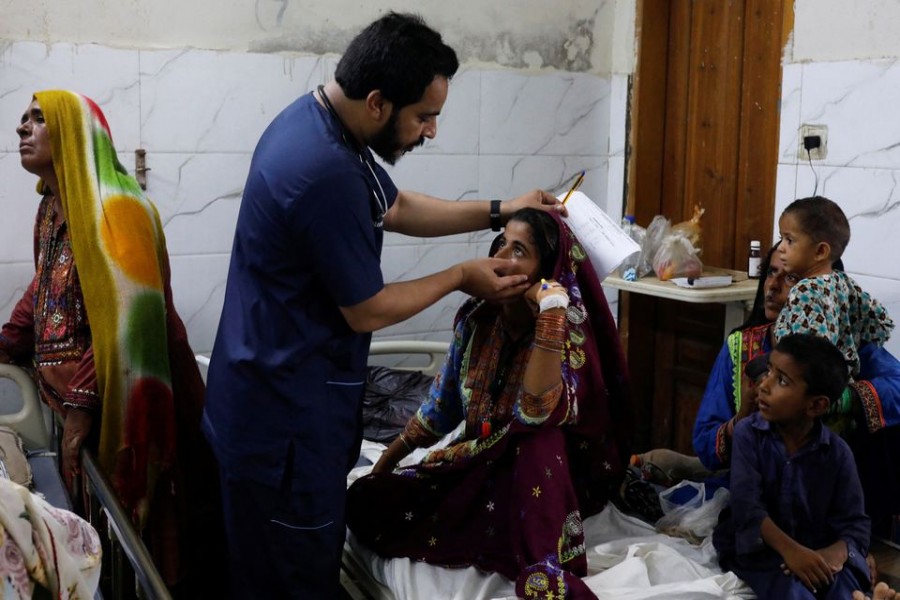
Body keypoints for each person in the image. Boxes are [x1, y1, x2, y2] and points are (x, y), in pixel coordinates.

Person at [202, 13, 566, 598]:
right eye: (424, 117)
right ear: (377, 102)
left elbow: (395, 207)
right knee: (288, 581)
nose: (430, 132)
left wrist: (500, 209)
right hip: (284, 428)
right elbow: (366, 310)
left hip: (274, 402)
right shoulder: (323, 171)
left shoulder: (320, 123)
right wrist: (460, 277)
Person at [346, 209, 632, 600]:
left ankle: (542, 566)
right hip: (475, 467)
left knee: (535, 440)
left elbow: (534, 409)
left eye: (519, 250)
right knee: (364, 500)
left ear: (545, 271)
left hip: (535, 482)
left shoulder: (567, 332)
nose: (501, 258)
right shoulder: (477, 320)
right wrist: (388, 461)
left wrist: (550, 314)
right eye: (500, 244)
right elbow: (441, 406)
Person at [0, 90, 222, 592]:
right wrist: (9, 341)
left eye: (38, 119)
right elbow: (46, 288)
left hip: (122, 405)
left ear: (76, 136)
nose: (22, 127)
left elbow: (132, 315)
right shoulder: (55, 210)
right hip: (74, 413)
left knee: (151, 536)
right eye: (22, 118)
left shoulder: (118, 210)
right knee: (98, 538)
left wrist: (80, 407)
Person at [692, 242, 900, 537]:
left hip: (833, 502)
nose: (772, 287)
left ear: (824, 293)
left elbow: (897, 388)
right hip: (761, 499)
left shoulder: (849, 350)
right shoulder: (741, 349)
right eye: (770, 273)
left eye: (791, 278)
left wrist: (838, 398)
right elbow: (705, 443)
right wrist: (741, 421)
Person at [714, 333, 871, 599]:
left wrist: (834, 553)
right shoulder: (748, 435)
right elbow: (747, 507)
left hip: (816, 548)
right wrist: (793, 552)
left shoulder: (837, 454)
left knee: (844, 587)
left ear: (816, 405)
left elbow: (855, 523)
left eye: (782, 380)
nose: (764, 385)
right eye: (769, 372)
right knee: (794, 591)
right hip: (761, 551)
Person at [774, 196, 893, 376]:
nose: (781, 248)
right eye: (781, 238)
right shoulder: (843, 282)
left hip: (807, 391)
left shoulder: (804, 291)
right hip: (841, 384)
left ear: (821, 251)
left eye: (789, 240)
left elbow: (804, 359)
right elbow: (880, 324)